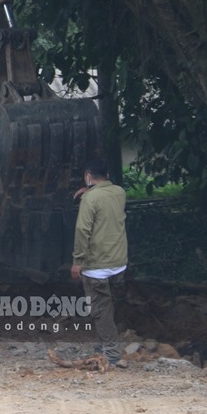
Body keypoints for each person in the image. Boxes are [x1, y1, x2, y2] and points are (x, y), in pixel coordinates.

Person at [71, 157, 128, 366]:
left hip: (98, 266)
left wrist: (77, 260)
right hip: (119, 262)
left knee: (100, 310)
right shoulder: (119, 193)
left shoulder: (90, 199)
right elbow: (105, 195)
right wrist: (90, 192)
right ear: (108, 176)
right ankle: (102, 345)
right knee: (108, 306)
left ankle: (112, 353)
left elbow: (82, 230)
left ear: (88, 177)